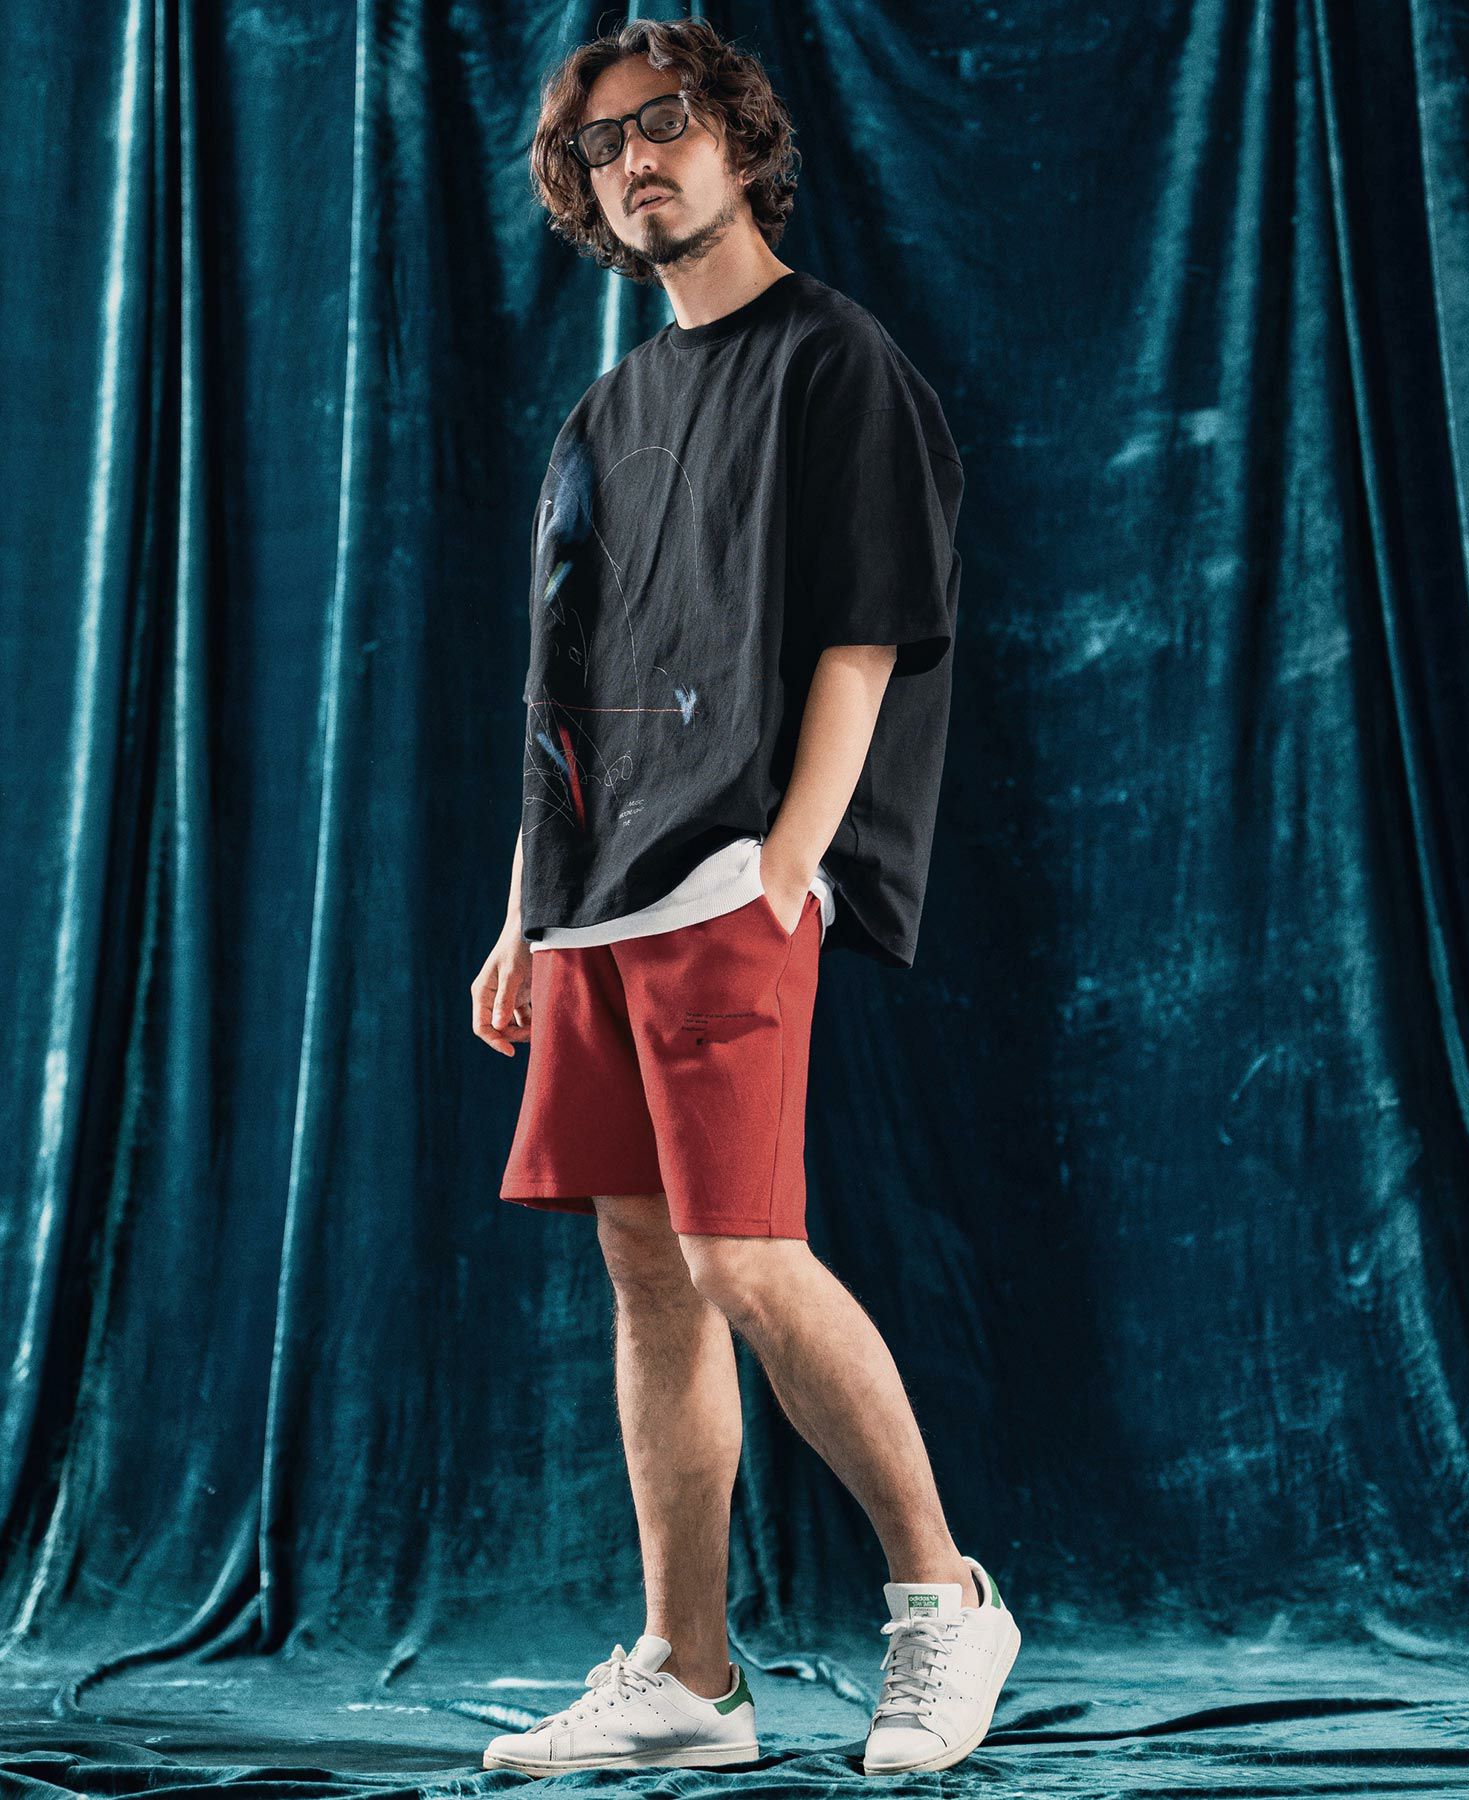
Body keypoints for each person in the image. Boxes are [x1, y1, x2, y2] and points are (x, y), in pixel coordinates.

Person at [470, 15, 1019, 1778]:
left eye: (662, 123)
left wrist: (787, 869)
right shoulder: (605, 412)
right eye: (600, 146)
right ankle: (688, 1679)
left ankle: (946, 1602)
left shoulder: (836, 361)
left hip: (728, 880)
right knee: (649, 1270)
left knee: (744, 1256)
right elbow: (564, 689)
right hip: (593, 899)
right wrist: (523, 914)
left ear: (737, 138)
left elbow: (870, 634)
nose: (633, 160)